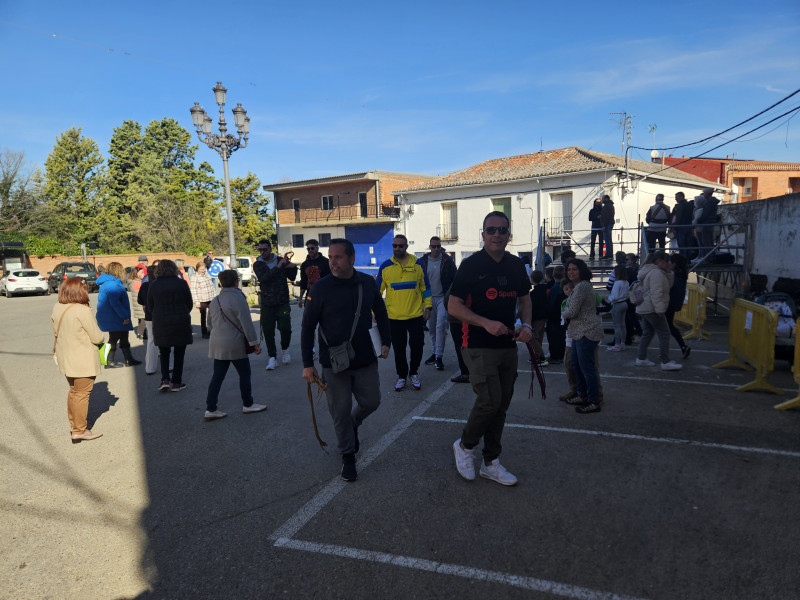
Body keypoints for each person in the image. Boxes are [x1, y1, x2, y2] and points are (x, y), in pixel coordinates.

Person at [448, 211, 532, 486]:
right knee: (489, 401)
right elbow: (454, 306)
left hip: (507, 345)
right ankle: (464, 446)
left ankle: (491, 462)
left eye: (502, 230)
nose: (497, 234)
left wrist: (527, 326)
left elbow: (525, 299)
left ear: (509, 235)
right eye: (491, 229)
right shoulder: (471, 265)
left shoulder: (516, 265)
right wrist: (484, 323)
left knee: (502, 405)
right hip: (477, 344)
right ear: (482, 234)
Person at [301, 238, 391, 482]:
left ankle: (355, 423)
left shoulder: (366, 283)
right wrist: (307, 364)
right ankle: (348, 456)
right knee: (339, 413)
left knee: (372, 401)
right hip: (334, 363)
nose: (332, 262)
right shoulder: (320, 288)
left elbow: (381, 313)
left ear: (351, 258)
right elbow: (307, 326)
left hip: (365, 359)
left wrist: (386, 342)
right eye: (330, 257)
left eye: (338, 257)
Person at [204, 270, 266, 420]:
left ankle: (211, 408)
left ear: (220, 282)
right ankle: (248, 404)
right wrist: (254, 342)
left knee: (217, 376)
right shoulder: (238, 298)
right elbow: (246, 323)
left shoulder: (215, 300)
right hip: (234, 342)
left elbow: (209, 324)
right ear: (236, 282)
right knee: (244, 373)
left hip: (217, 343)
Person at [51, 278, 106, 443]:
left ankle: (74, 425)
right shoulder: (82, 311)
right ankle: (80, 430)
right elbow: (97, 337)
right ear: (79, 291)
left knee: (74, 392)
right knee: (82, 394)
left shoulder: (58, 307)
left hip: (66, 357)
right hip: (82, 359)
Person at [377, 234, 431, 391]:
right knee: (399, 349)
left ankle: (414, 373)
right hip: (394, 317)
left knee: (417, 346)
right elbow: (376, 292)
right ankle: (401, 376)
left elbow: (425, 288)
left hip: (415, 316)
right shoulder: (385, 267)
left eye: (401, 246)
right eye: (395, 246)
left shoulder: (418, 264)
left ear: (406, 247)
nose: (397, 248)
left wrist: (428, 307)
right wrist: (375, 311)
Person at [561, 259, 604, 413]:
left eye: (574, 269)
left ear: (581, 270)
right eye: (569, 269)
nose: (571, 272)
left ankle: (593, 401)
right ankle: (582, 394)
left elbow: (572, 311)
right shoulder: (580, 286)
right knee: (576, 364)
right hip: (579, 332)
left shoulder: (582, 286)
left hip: (587, 331)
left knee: (587, 367)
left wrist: (562, 314)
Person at [147, 259, 194, 392]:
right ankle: (176, 382)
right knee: (179, 353)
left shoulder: (154, 285)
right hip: (180, 320)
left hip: (161, 321)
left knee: (164, 352)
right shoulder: (181, 283)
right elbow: (188, 303)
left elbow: (151, 305)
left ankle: (165, 379)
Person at [253, 239, 298, 370]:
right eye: (260, 250)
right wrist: (278, 267)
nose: (262, 252)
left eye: (264, 249)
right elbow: (263, 278)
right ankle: (272, 357)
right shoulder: (258, 264)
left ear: (270, 249)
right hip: (267, 303)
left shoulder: (280, 261)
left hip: (282, 301)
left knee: (285, 328)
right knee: (268, 331)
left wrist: (292, 267)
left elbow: (292, 277)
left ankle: (285, 350)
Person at [634, 251, 682, 371]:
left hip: (644, 307)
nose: (667, 264)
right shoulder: (656, 273)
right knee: (664, 334)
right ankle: (665, 361)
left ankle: (641, 358)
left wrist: (668, 272)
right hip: (652, 308)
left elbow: (667, 285)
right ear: (658, 261)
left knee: (648, 333)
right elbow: (657, 292)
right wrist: (660, 309)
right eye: (665, 262)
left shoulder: (650, 271)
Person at [420, 236, 457, 371]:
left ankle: (439, 357)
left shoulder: (447, 261)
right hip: (428, 299)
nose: (436, 249)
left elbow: (455, 278)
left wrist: (452, 296)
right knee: (432, 327)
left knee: (441, 325)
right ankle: (435, 353)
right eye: (433, 246)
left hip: (443, 298)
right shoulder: (422, 261)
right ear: (429, 247)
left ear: (441, 247)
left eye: (438, 247)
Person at [96, 262, 141, 369]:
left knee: (124, 337)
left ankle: (128, 359)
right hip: (114, 316)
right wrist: (124, 316)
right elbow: (115, 303)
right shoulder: (111, 284)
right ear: (118, 271)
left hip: (114, 315)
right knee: (113, 338)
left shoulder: (113, 282)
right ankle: (107, 361)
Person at [666, 253, 691, 359]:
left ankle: (682, 346)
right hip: (673, 304)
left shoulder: (674, 275)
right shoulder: (681, 274)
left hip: (669, 304)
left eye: (670, 262)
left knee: (667, 327)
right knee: (668, 326)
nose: (668, 264)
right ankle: (683, 346)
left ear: (674, 264)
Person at [137, 265, 159, 375]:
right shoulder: (159, 284)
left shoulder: (145, 285)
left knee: (151, 341)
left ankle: (150, 368)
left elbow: (140, 300)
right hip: (160, 315)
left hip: (149, 315)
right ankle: (170, 366)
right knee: (166, 340)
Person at [297, 239, 331, 308]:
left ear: (317, 248)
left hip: (324, 297)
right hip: (310, 297)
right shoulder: (304, 265)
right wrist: (300, 298)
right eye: (308, 249)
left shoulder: (326, 262)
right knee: (309, 317)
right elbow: (303, 282)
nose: (310, 250)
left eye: (312, 248)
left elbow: (331, 280)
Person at [545, 265, 566, 364]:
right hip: (563, 314)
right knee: (562, 336)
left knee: (553, 336)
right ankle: (561, 354)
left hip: (554, 316)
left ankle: (555, 356)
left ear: (553, 275)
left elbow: (551, 303)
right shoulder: (566, 287)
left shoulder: (554, 288)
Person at [606, 264, 630, 351]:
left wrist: (609, 299)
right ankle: (623, 343)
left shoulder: (617, 283)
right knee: (623, 325)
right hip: (624, 303)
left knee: (617, 325)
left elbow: (614, 296)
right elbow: (628, 294)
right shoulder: (626, 282)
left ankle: (617, 344)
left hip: (617, 304)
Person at [191, 262, 216, 339]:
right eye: (201, 269)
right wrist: (197, 302)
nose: (203, 270)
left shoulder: (207, 275)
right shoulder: (194, 277)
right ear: (197, 269)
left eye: (204, 269)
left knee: (213, 316)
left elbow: (212, 286)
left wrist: (215, 297)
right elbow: (193, 290)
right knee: (203, 317)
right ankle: (204, 333)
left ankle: (212, 331)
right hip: (202, 299)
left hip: (211, 298)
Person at [529, 270, 549, 366]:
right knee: (539, 337)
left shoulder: (533, 293)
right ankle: (537, 356)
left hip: (536, 317)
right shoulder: (545, 289)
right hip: (544, 316)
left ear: (532, 279)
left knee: (533, 338)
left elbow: (532, 308)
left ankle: (541, 358)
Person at [693, 187, 720, 259]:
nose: (703, 194)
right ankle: (708, 256)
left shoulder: (709, 202)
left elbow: (705, 214)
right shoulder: (711, 202)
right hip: (709, 223)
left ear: (707, 194)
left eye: (704, 193)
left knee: (706, 241)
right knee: (708, 240)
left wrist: (698, 220)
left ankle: (707, 257)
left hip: (707, 223)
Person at [671, 192, 693, 256]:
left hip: (681, 227)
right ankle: (688, 258)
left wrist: (674, 227)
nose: (675, 199)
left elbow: (678, 217)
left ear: (681, 197)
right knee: (688, 244)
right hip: (689, 226)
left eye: (676, 197)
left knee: (682, 244)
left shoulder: (680, 206)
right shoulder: (690, 205)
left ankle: (683, 258)